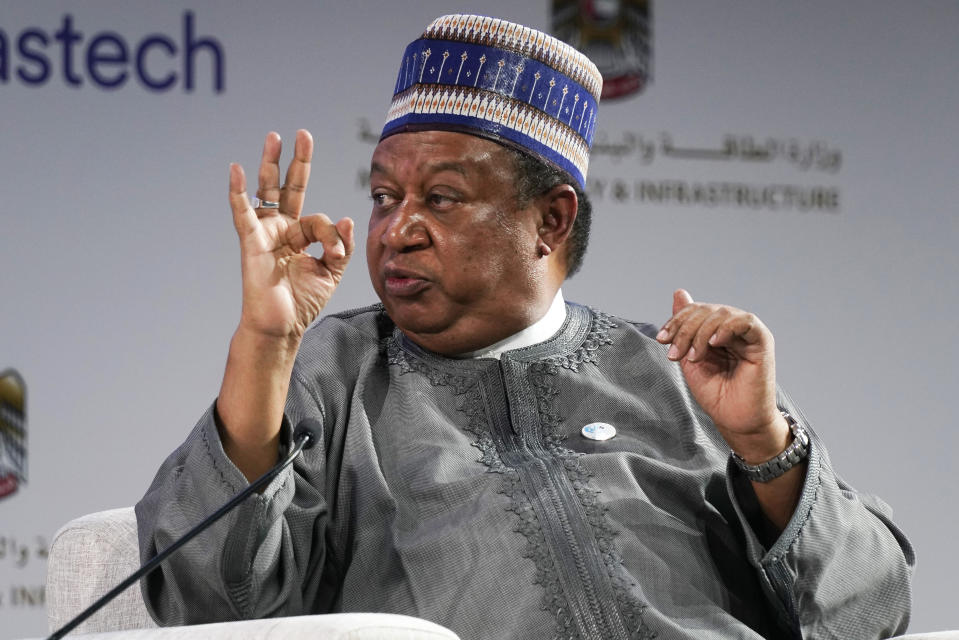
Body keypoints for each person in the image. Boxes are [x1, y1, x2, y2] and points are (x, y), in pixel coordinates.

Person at [136, 14, 914, 640]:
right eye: (381, 196)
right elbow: (213, 611)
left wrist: (763, 447)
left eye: (439, 199)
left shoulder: (681, 370)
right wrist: (267, 346)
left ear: (548, 220)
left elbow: (868, 612)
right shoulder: (331, 374)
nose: (395, 230)